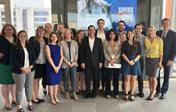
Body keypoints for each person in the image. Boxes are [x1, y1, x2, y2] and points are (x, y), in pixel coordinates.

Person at [12, 30, 35, 112]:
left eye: (25, 35)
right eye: (21, 35)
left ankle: (29, 103)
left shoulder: (29, 45)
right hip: (19, 71)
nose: (23, 37)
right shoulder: (14, 46)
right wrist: (23, 68)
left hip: (30, 70)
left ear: (27, 37)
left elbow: (33, 58)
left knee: (29, 87)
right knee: (19, 89)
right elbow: (13, 60)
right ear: (18, 37)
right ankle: (19, 106)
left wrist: (30, 67)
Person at [80, 25, 104, 98]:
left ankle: (94, 92)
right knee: (87, 78)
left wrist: (100, 61)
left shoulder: (99, 40)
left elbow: (101, 52)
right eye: (90, 30)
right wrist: (82, 62)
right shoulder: (84, 40)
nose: (91, 31)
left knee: (96, 78)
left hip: (96, 63)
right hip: (86, 63)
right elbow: (81, 52)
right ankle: (87, 92)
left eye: (93, 30)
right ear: (88, 31)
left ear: (94, 31)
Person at [156, 18, 176, 99]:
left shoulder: (174, 34)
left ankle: (164, 92)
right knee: (156, 74)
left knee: (166, 75)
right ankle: (157, 90)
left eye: (167, 24)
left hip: (168, 59)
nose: (165, 25)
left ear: (169, 25)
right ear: (162, 25)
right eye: (164, 24)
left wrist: (172, 59)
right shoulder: (158, 33)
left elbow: (174, 48)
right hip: (158, 58)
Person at [29, 26, 48, 103]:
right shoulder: (32, 39)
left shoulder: (46, 39)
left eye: (42, 31)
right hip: (35, 62)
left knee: (38, 80)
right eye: (39, 31)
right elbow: (30, 51)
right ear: (37, 31)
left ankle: (37, 96)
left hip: (44, 62)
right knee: (34, 80)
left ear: (44, 32)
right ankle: (33, 97)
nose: (41, 32)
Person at [121, 29, 141, 101]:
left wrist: (134, 60)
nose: (130, 35)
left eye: (131, 33)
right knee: (126, 79)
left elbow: (139, 54)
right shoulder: (124, 43)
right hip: (126, 62)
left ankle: (132, 94)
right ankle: (126, 94)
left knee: (134, 79)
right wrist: (128, 61)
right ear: (127, 35)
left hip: (135, 62)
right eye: (128, 33)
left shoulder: (137, 43)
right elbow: (122, 53)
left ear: (133, 34)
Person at [0, 24, 16, 110]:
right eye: (7, 29)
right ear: (4, 30)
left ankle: (14, 98)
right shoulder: (1, 39)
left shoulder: (16, 38)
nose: (9, 31)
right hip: (4, 64)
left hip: (15, 64)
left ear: (13, 30)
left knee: (13, 82)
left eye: (11, 29)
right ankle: (7, 101)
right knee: (5, 83)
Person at [145, 26, 163, 100]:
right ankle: (150, 91)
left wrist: (160, 61)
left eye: (152, 30)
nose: (150, 32)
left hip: (156, 60)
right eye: (149, 30)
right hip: (148, 59)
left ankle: (153, 91)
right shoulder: (146, 39)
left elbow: (161, 52)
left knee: (154, 77)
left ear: (155, 31)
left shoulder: (159, 40)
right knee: (149, 77)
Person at [60, 29, 79, 100]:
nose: (68, 35)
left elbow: (77, 53)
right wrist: (68, 63)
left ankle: (73, 92)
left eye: (69, 33)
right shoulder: (61, 43)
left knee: (74, 78)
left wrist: (74, 62)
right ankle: (67, 92)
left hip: (74, 63)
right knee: (66, 78)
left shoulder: (75, 43)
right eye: (66, 33)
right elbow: (61, 55)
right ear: (64, 34)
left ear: (71, 34)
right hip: (65, 64)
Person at [45, 32, 63, 105]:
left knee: (56, 83)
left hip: (58, 66)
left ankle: (55, 96)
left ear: (57, 38)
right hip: (50, 66)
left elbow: (62, 57)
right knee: (51, 83)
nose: (54, 38)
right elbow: (49, 57)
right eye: (52, 36)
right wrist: (54, 67)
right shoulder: (47, 46)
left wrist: (58, 66)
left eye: (55, 36)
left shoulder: (60, 47)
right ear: (50, 38)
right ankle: (52, 98)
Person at [103, 29, 121, 99]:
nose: (112, 35)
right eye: (110, 34)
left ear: (115, 35)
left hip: (116, 63)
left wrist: (114, 59)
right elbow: (104, 52)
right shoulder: (105, 42)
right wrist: (109, 60)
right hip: (108, 63)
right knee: (108, 78)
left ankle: (116, 92)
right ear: (108, 34)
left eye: (113, 34)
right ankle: (108, 93)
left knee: (116, 79)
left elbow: (120, 52)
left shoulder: (118, 42)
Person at [95, 18, 107, 93]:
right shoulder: (94, 32)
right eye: (99, 23)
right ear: (97, 24)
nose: (100, 24)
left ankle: (104, 87)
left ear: (104, 24)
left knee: (104, 72)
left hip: (106, 55)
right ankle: (97, 87)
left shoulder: (107, 32)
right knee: (97, 72)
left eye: (102, 23)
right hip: (96, 55)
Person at [134, 23, 145, 97]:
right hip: (131, 59)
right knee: (132, 75)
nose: (138, 29)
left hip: (140, 59)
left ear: (142, 30)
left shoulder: (145, 38)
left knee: (140, 75)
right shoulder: (132, 36)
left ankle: (141, 91)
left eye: (140, 28)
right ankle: (130, 90)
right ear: (134, 29)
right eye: (137, 28)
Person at [43, 23, 53, 95]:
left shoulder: (53, 35)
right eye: (47, 27)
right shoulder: (43, 36)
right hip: (44, 57)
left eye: (50, 27)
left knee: (50, 73)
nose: (48, 28)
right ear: (45, 28)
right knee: (45, 74)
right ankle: (44, 87)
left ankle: (50, 89)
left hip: (52, 56)